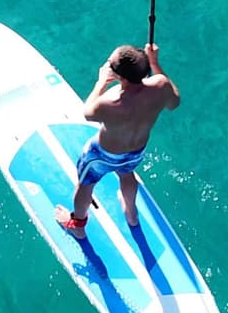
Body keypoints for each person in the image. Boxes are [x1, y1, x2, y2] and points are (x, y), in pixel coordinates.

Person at [55, 43, 180, 239]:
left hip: (102, 155)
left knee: (86, 184)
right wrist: (155, 63)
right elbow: (174, 103)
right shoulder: (161, 85)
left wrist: (101, 83)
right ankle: (132, 215)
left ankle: (77, 225)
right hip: (136, 151)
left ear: (120, 77)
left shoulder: (110, 101)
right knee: (127, 174)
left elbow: (88, 113)